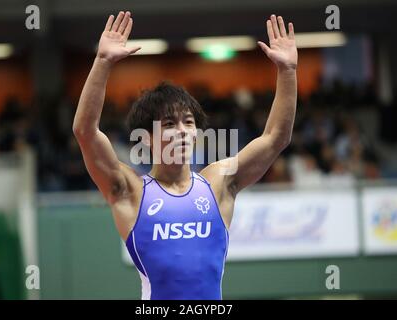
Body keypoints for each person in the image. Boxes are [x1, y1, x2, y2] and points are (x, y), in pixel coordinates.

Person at [73, 10, 298, 300]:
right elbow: (85, 132)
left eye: (188, 122)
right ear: (146, 138)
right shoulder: (130, 192)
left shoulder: (218, 184)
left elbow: (275, 138)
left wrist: (288, 72)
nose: (181, 131)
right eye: (169, 124)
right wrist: (102, 63)